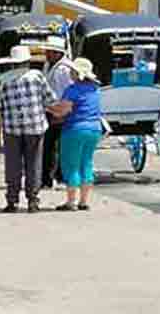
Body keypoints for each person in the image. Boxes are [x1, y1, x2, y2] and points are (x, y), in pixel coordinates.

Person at [0, 45, 58, 213]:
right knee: (34, 163)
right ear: (27, 61)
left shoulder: (2, 79)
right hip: (35, 126)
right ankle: (33, 200)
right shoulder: (37, 77)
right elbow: (50, 99)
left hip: (12, 128)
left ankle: (12, 200)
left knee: (13, 164)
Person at [48, 58, 102, 212]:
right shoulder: (95, 88)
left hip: (75, 129)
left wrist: (49, 108)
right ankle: (84, 201)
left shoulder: (72, 90)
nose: (70, 73)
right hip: (94, 129)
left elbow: (63, 111)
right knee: (87, 163)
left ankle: (71, 202)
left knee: (71, 165)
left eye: (72, 71)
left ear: (77, 74)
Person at [42, 36, 74, 189]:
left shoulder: (63, 69)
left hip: (60, 112)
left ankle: (57, 176)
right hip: (52, 110)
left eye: (49, 51)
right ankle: (48, 177)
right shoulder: (49, 66)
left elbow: (65, 93)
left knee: (57, 146)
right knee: (49, 146)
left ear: (57, 53)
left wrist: (60, 113)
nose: (46, 54)